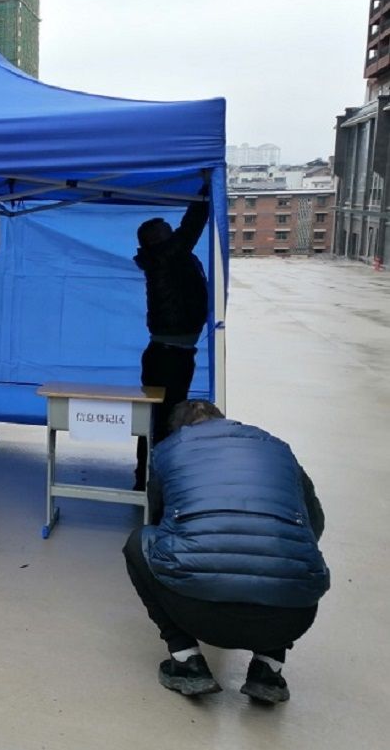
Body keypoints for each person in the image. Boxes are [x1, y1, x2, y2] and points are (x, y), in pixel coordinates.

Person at [123, 400, 329, 703]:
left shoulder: (168, 451)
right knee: (291, 550)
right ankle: (268, 669)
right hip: (292, 618)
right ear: (223, 421)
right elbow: (315, 524)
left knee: (139, 543)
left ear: (180, 430)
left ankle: (187, 661)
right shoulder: (278, 449)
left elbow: (157, 520)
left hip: (198, 611)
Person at [132, 195, 210, 490]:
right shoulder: (167, 257)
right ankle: (148, 482)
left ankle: (150, 479)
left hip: (173, 355)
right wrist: (204, 194)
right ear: (156, 240)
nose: (172, 232)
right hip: (169, 358)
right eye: (167, 230)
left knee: (161, 420)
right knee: (161, 421)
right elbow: (190, 228)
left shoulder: (167, 258)